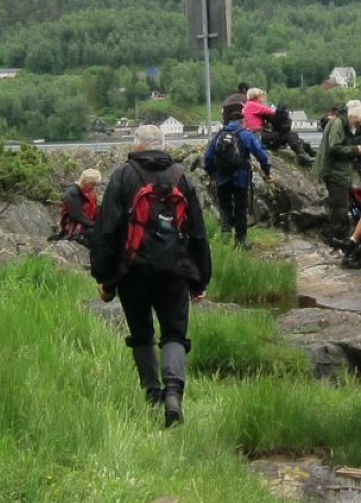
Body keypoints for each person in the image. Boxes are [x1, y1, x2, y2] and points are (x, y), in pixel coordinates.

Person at [92, 125, 212, 428]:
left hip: (132, 270)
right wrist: (200, 280)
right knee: (174, 333)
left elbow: (107, 229)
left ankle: (152, 395)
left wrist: (105, 279)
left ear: (137, 145)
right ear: (163, 146)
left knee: (142, 333)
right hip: (175, 271)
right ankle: (174, 393)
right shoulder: (180, 176)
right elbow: (197, 232)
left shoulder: (123, 175)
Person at [203, 103, 272, 249]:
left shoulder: (219, 135)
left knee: (225, 208)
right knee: (241, 209)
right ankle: (240, 241)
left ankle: (226, 236)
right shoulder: (246, 135)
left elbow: (208, 157)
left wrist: (211, 173)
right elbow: (261, 155)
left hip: (222, 179)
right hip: (240, 178)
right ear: (243, 121)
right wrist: (267, 172)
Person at [314, 100, 361, 238]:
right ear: (352, 117)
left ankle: (337, 235)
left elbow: (348, 144)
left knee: (344, 205)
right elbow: (334, 148)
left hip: (343, 172)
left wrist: (358, 145)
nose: (357, 126)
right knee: (340, 208)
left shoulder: (348, 125)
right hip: (333, 172)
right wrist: (355, 150)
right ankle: (335, 237)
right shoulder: (338, 124)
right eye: (356, 123)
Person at [52, 169, 101, 243]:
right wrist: (94, 225)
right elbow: (77, 216)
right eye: (92, 184)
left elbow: (95, 211)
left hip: (87, 225)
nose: (93, 187)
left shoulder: (90, 193)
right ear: (85, 181)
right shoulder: (72, 193)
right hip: (74, 228)